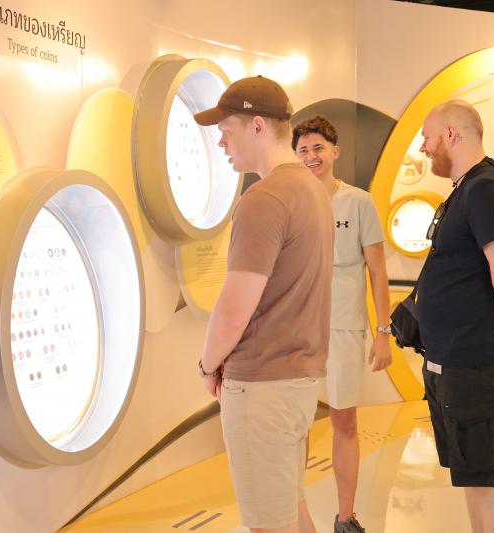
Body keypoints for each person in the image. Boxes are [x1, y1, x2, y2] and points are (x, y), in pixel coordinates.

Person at [194, 76, 333, 533]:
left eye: (226, 130)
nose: (221, 142)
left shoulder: (264, 199)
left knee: (270, 523)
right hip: (297, 382)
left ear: (257, 126)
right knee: (290, 509)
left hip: (262, 387)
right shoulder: (312, 190)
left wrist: (207, 365)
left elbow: (235, 308)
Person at [417, 99, 494, 533]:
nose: (423, 147)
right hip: (455, 362)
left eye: (427, 137)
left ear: (451, 134)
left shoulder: (489, 189)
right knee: (474, 479)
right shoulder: (470, 189)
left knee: (489, 482)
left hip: (477, 364)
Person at [291, 116, 392, 533]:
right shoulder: (291, 201)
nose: (311, 156)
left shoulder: (358, 202)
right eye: (303, 150)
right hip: (297, 329)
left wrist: (383, 332)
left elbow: (378, 271)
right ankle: (293, 514)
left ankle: (346, 517)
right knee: (295, 424)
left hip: (345, 327)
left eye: (318, 148)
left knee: (344, 421)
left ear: (334, 151)